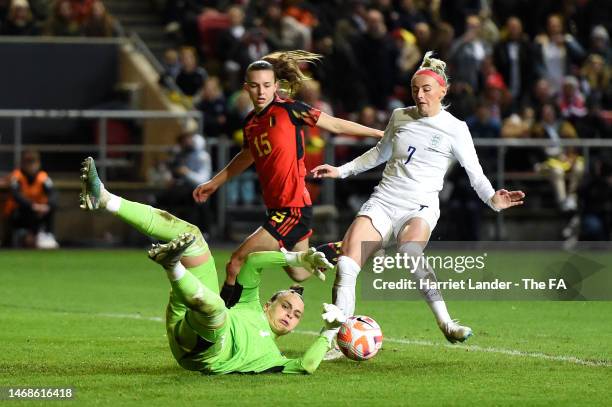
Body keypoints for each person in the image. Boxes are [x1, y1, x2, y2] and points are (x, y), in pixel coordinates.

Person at [312, 52, 525, 358]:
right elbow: (378, 153)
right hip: (384, 201)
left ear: (443, 91)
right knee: (346, 264)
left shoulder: (455, 128)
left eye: (426, 89)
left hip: (420, 207)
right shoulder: (400, 116)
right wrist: (341, 170)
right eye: (415, 90)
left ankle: (446, 322)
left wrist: (493, 199)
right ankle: (334, 338)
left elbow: (475, 174)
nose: (420, 95)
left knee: (409, 250)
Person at [79, 156, 346, 374]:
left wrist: (329, 331)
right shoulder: (248, 304)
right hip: (189, 317)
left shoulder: (274, 358)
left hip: (203, 351)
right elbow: (254, 261)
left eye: (296, 315)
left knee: (217, 308)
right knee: (193, 236)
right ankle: (105, 199)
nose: (290, 315)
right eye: (286, 306)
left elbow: (306, 366)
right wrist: (296, 258)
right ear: (268, 305)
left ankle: (173, 266)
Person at [192, 50, 383, 307]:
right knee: (300, 272)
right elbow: (247, 155)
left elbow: (335, 125)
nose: (261, 91)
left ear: (276, 86)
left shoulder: (290, 110)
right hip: (279, 207)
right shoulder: (250, 122)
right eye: (256, 86)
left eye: (267, 85)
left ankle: (220, 320)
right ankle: (351, 246)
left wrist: (380, 132)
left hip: (291, 207)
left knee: (237, 262)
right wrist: (214, 182)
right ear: (246, 88)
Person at [3, 150, 58, 248]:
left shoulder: (43, 177)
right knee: (27, 210)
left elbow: (53, 194)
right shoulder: (17, 176)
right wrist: (33, 206)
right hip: (19, 213)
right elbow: (16, 196)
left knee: (50, 208)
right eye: (28, 163)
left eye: (34, 162)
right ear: (23, 164)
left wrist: (47, 206)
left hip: (38, 211)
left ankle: (47, 234)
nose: (31, 166)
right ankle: (30, 236)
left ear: (38, 164)